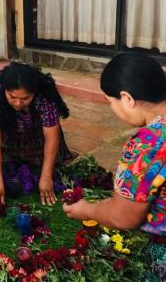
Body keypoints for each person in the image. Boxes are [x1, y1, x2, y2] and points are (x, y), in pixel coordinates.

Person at [63, 52, 166, 281]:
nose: (112, 109)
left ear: (127, 98)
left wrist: (87, 210)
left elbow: (123, 217)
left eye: (110, 102)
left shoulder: (149, 144)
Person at [0, 62, 75, 206]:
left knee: (46, 169)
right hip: (11, 134)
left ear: (34, 92)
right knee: (6, 170)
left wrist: (46, 177)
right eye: (12, 97)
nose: (18, 103)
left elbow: (51, 138)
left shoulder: (45, 96)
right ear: (5, 90)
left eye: (25, 98)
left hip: (37, 136)